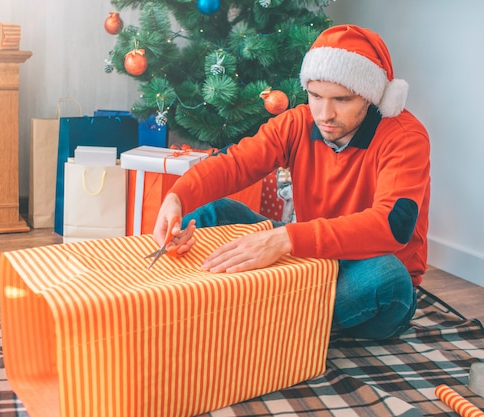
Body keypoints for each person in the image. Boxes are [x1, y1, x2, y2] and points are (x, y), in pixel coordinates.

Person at [153, 24, 431, 340]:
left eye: (342, 99)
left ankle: (253, 319)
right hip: (307, 258)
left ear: (370, 97)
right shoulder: (299, 122)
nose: (325, 114)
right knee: (211, 213)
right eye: (315, 96)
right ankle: (237, 312)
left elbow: (391, 226)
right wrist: (177, 197)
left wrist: (286, 240)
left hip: (363, 267)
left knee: (389, 279)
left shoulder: (405, 137)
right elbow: (236, 162)